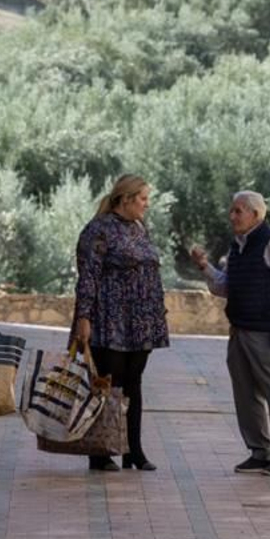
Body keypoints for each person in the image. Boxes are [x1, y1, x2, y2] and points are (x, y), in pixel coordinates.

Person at [191, 191, 270, 477]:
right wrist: (205, 267)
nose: (232, 216)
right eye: (232, 210)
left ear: (256, 214)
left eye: (238, 211)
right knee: (245, 393)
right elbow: (225, 287)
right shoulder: (237, 246)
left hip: (267, 332)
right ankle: (260, 450)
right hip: (240, 330)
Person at [73, 175, 172, 472]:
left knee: (134, 384)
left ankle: (133, 450)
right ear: (125, 199)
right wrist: (84, 317)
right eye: (142, 198)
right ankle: (100, 451)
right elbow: (88, 276)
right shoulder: (98, 230)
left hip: (141, 322)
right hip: (110, 319)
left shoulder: (140, 228)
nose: (146, 204)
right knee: (107, 383)